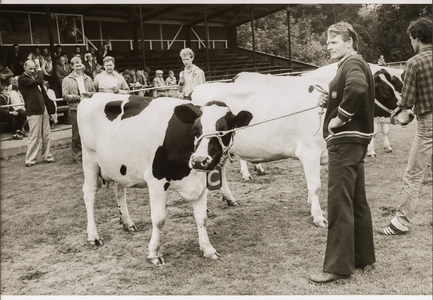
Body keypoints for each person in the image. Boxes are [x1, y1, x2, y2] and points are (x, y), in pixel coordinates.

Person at [309, 22, 376, 284]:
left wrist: (338, 118)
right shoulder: (354, 64)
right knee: (357, 202)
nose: (329, 46)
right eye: (328, 42)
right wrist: (331, 99)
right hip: (356, 143)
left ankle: (338, 267)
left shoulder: (353, 64)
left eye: (334, 41)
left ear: (349, 42)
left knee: (339, 202)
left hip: (345, 144)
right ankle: (362, 258)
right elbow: (351, 90)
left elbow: (357, 89)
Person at [382, 17, 432, 236]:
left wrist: (398, 113)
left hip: (428, 124)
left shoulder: (414, 62)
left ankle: (401, 222)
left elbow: (407, 101)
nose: (411, 44)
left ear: (417, 38)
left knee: (413, 174)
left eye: (411, 39)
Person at [18, 60, 56, 167]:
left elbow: (43, 95)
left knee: (47, 135)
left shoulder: (35, 79)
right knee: (34, 136)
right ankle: (30, 160)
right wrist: (40, 69)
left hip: (43, 109)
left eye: (34, 68)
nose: (32, 70)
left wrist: (51, 109)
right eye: (30, 68)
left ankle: (47, 156)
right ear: (24, 67)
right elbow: (40, 79)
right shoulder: (22, 79)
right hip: (33, 111)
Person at [62, 56, 95, 163]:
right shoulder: (67, 80)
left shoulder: (88, 78)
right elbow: (65, 96)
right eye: (76, 65)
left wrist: (90, 94)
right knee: (76, 133)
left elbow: (94, 91)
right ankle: (77, 156)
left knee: (89, 132)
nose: (78, 67)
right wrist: (78, 97)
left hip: (88, 108)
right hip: (75, 108)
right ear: (72, 66)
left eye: (80, 65)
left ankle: (89, 154)